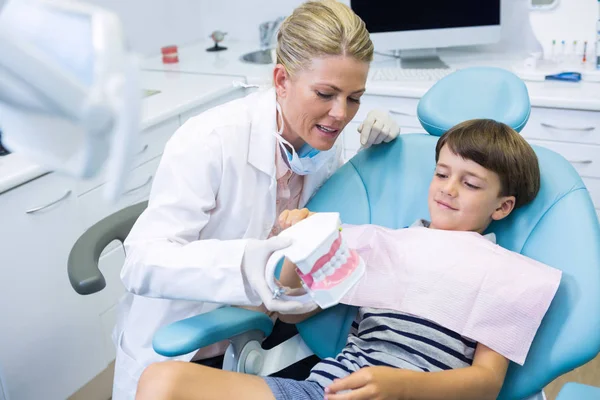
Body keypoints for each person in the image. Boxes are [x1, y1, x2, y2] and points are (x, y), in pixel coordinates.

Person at [112, 1, 401, 398]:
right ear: (281, 80)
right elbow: (141, 264)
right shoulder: (212, 140)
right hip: (187, 344)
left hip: (262, 333)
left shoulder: (324, 143)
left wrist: (372, 161)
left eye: (355, 98)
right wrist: (255, 264)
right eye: (326, 94)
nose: (340, 114)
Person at [134, 118, 542, 400]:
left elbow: (487, 383)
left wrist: (399, 387)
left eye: (469, 183)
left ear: (503, 207)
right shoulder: (387, 244)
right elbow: (296, 311)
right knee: (161, 380)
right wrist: (299, 241)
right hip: (323, 390)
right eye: (441, 173)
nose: (448, 189)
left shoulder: (504, 275)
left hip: (411, 394)